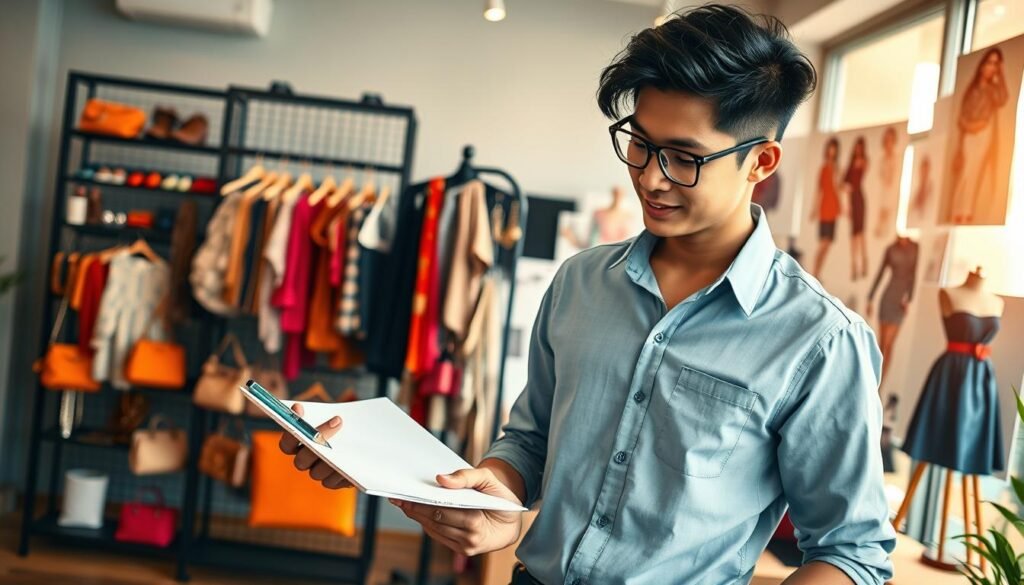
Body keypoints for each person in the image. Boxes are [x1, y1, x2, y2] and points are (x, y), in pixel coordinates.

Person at [279, 5, 895, 584]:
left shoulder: (819, 340)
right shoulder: (580, 282)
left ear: (761, 162)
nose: (651, 177)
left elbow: (853, 551)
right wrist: (491, 492)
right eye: (640, 143)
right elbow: (531, 438)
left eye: (684, 157)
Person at [947, 47, 1009, 224]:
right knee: (966, 171)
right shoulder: (972, 89)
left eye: (995, 64)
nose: (991, 67)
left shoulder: (993, 89)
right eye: (989, 63)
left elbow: (1003, 98)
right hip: (970, 133)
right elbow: (961, 117)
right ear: (983, 65)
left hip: (984, 133)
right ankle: (956, 211)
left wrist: (1002, 75)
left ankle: (966, 213)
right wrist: (970, 126)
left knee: (974, 172)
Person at [810, 137, 841, 278]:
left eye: (834, 148)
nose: (832, 151)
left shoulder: (837, 168)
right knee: (823, 243)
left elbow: (838, 188)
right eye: (830, 147)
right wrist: (814, 209)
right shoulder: (823, 169)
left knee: (828, 244)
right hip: (824, 208)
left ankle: (818, 273)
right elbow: (819, 190)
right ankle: (815, 272)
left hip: (834, 208)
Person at [844, 136, 870, 280]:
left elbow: (859, 176)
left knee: (860, 233)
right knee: (853, 235)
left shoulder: (862, 162)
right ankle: (854, 266)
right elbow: (845, 184)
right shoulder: (851, 164)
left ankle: (864, 262)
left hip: (859, 199)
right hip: (852, 200)